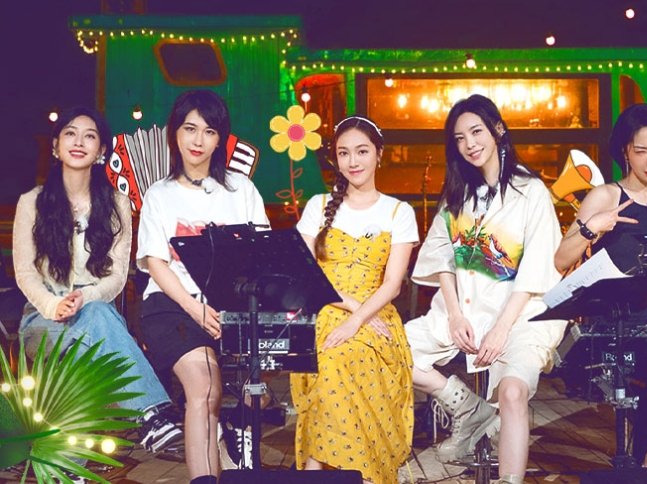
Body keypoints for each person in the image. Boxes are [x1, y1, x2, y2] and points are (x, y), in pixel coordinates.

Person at [405, 94, 567, 484]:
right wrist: (454, 314)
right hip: (463, 312)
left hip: (523, 316)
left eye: (476, 132)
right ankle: (467, 408)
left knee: (512, 393)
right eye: (459, 138)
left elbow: (537, 269)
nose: (469, 144)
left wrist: (501, 329)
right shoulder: (458, 193)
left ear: (498, 130)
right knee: (387, 352)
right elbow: (440, 257)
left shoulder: (531, 191)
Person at [13, 106, 182, 453]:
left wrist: (84, 298)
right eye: (70, 134)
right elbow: (25, 273)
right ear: (56, 146)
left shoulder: (117, 204)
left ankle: (66, 465)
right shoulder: (31, 203)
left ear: (101, 150)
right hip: (42, 319)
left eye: (89, 136)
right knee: (99, 322)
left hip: (96, 314)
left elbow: (117, 277)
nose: (79, 142)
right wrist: (54, 305)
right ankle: (152, 415)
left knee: (95, 318)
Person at [555, 103, 647, 467]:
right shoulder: (604, 197)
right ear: (625, 151)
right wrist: (593, 227)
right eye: (642, 151)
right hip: (616, 323)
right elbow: (561, 260)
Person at [136, 90, 269, 483]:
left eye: (209, 131)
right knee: (204, 386)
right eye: (189, 129)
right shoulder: (160, 195)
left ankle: (228, 444)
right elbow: (156, 263)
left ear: (220, 139)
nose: (198, 140)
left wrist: (230, 307)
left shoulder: (241, 190)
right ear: (174, 133)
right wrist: (196, 310)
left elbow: (261, 254)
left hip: (230, 305)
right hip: (171, 305)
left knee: (251, 392)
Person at [290, 116, 417, 484]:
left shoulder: (399, 212)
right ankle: (321, 474)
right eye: (344, 153)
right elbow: (304, 273)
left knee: (349, 360)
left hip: (377, 314)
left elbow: (392, 285)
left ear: (379, 154)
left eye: (362, 151)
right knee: (333, 359)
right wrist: (351, 310)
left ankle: (335, 473)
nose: (353, 161)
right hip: (327, 309)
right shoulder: (317, 206)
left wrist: (360, 318)